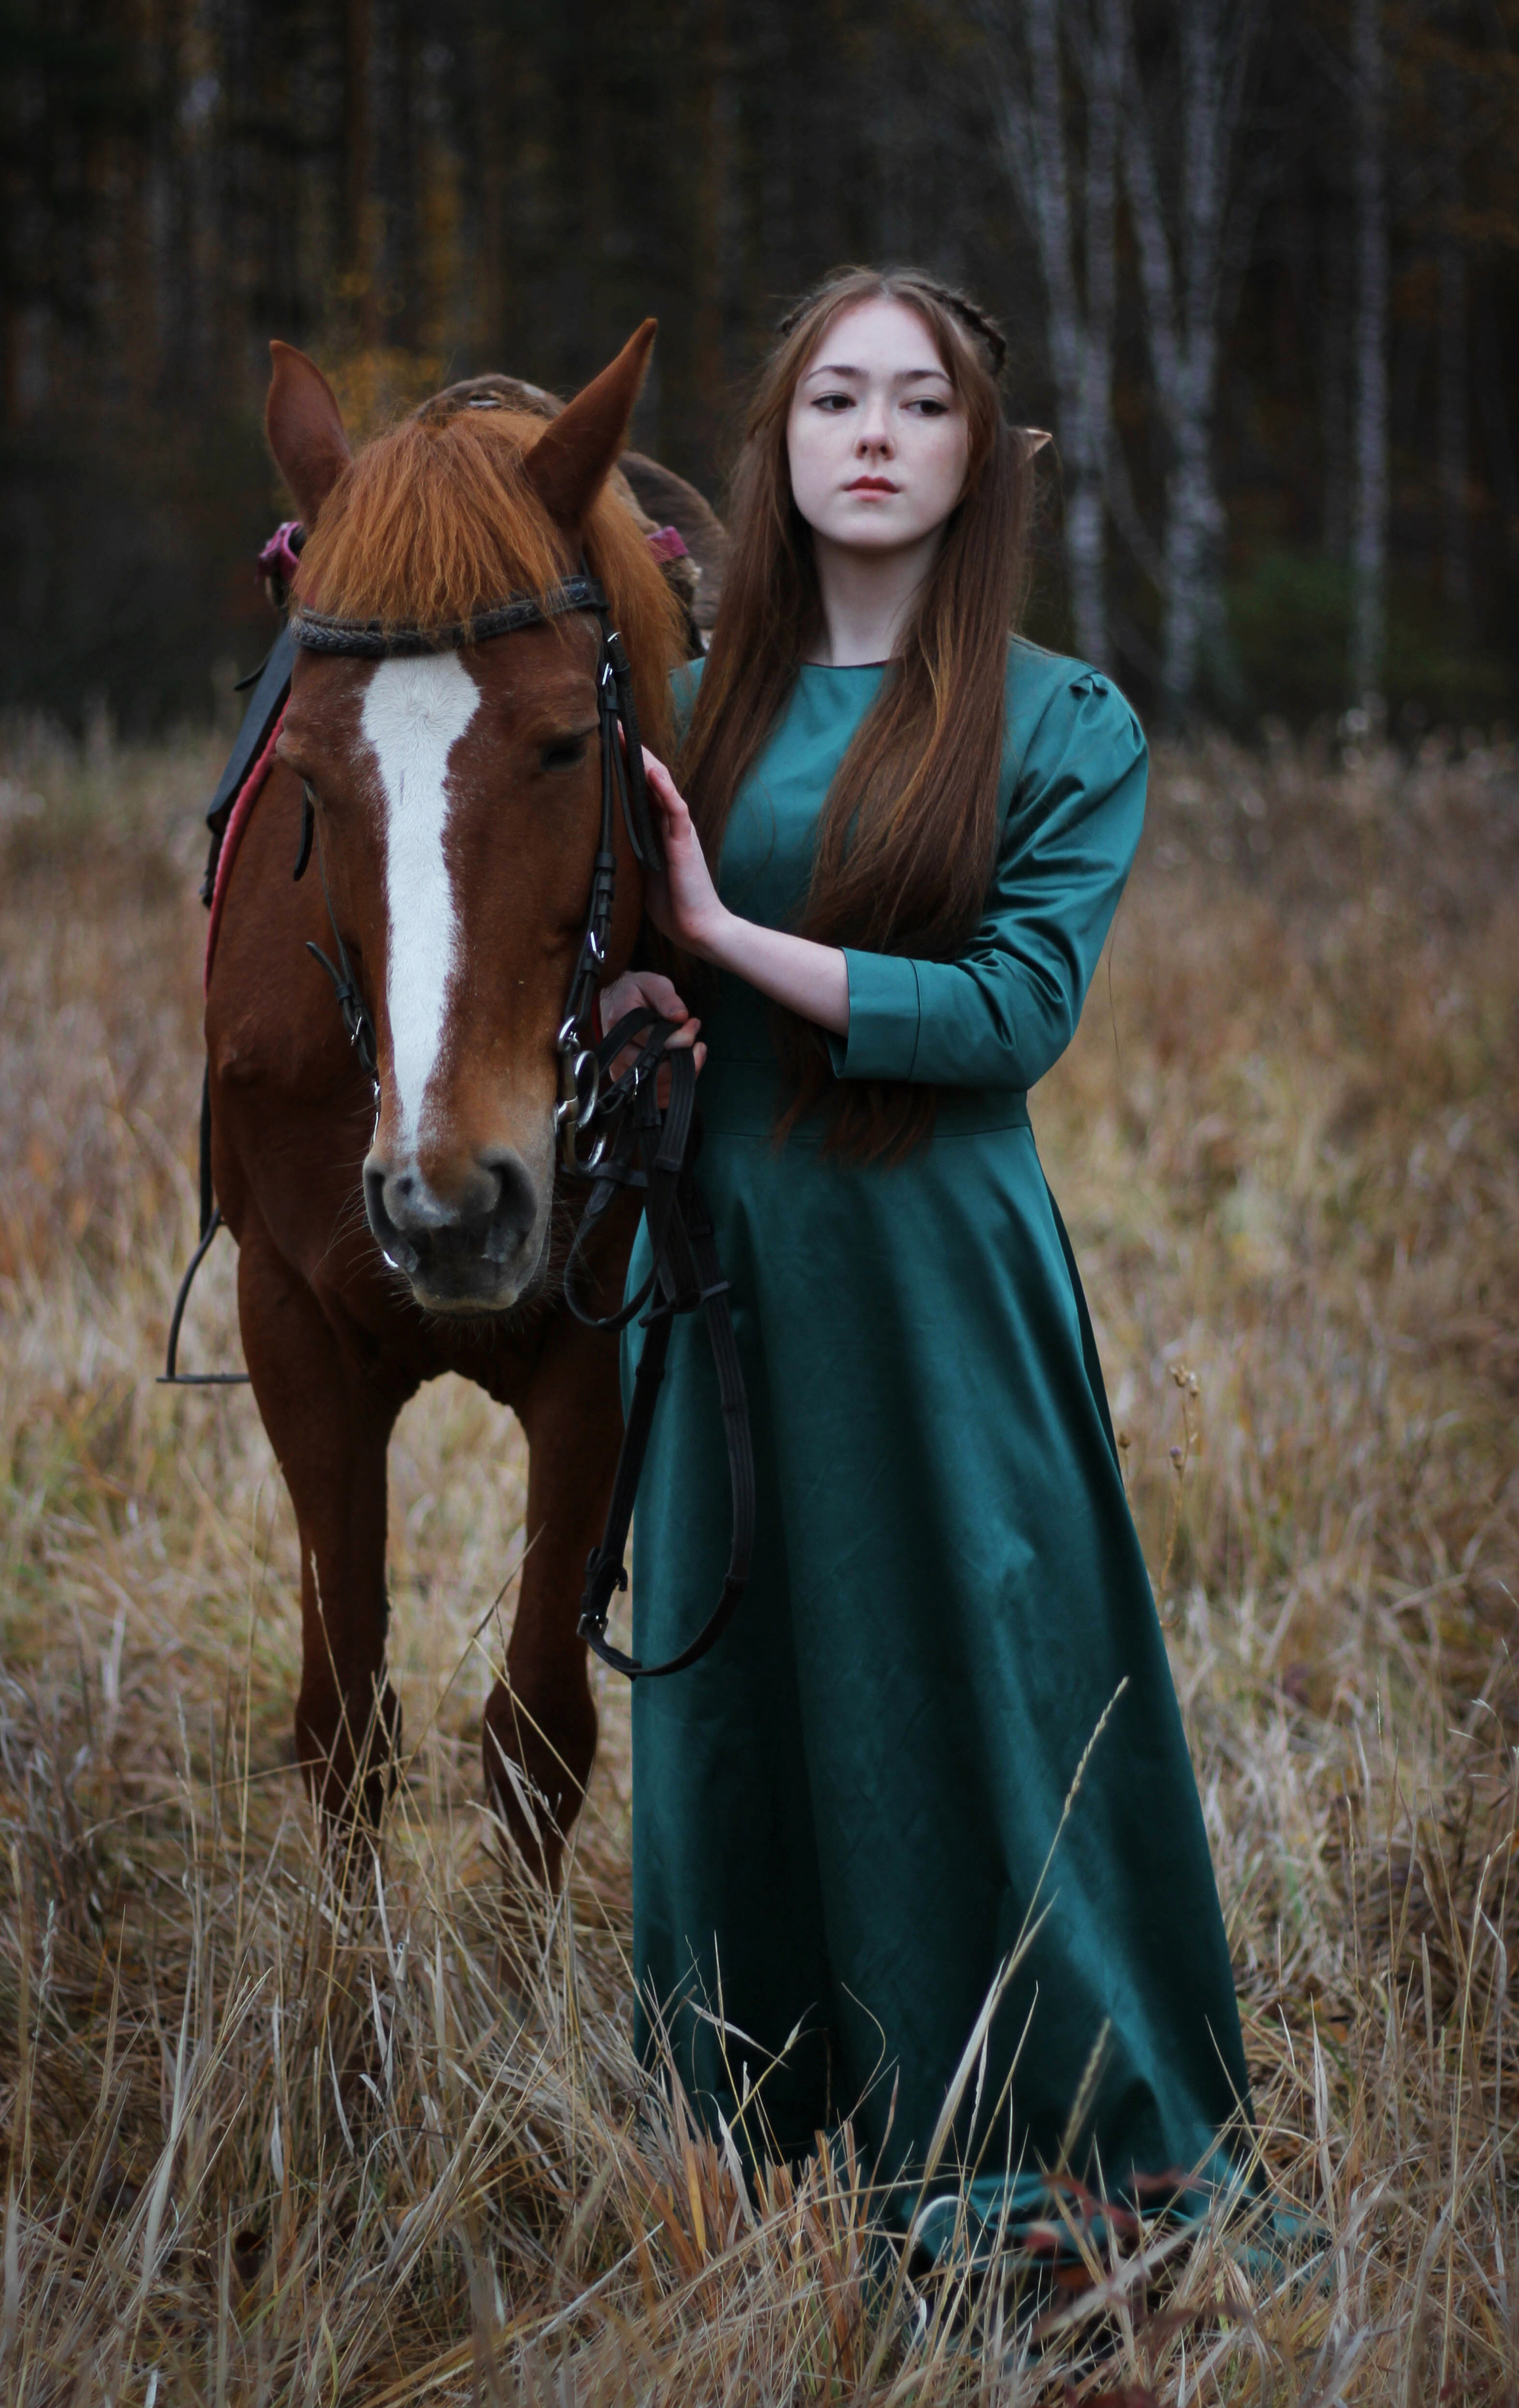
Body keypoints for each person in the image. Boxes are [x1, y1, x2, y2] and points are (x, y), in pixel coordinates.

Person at [596, 267, 1256, 2261]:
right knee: (737, 1681)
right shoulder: (684, 711)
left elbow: (1010, 1015)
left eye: (918, 403)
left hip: (933, 1277)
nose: (873, 435)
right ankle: (758, 2138)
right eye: (833, 400)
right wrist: (635, 1000)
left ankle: (1033, 2128)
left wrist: (722, 936)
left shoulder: (1063, 720)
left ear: (981, 456)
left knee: (970, 1674)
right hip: (720, 1265)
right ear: (779, 447)